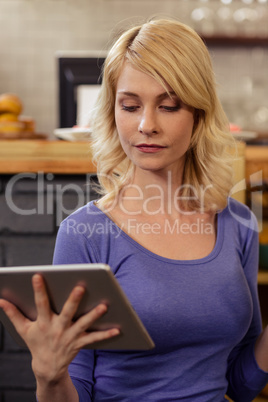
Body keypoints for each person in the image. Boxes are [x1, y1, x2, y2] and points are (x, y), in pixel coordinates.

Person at [0, 18, 268, 402]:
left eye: (169, 105)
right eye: (130, 105)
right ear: (112, 113)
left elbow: (239, 384)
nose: (146, 125)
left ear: (199, 114)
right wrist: (49, 376)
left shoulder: (238, 223)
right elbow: (76, 389)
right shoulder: (85, 234)